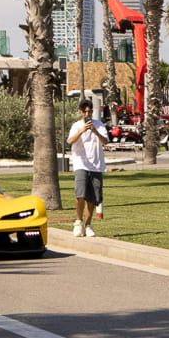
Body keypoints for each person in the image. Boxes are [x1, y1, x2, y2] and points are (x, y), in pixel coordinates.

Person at [66, 99, 109, 237]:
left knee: (93, 198)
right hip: (80, 164)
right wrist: (81, 131)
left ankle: (88, 224)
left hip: (96, 165)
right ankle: (78, 222)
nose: (87, 114)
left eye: (89, 111)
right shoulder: (76, 125)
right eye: (84, 111)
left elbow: (106, 141)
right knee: (80, 195)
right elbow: (70, 141)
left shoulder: (99, 125)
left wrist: (95, 131)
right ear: (80, 112)